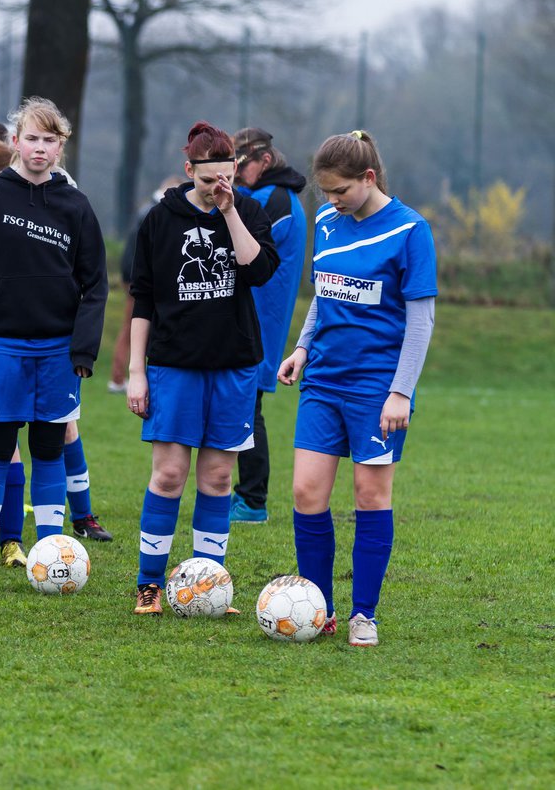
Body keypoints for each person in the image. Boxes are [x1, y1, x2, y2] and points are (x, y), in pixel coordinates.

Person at [278, 130, 436, 647]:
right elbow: (325, 294)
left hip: (377, 386)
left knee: (370, 495)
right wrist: (302, 347)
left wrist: (401, 391)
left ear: (369, 179)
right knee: (306, 492)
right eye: (325, 192)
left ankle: (362, 613)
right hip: (324, 378)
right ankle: (318, 608)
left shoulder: (412, 231)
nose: (331, 201)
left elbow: (421, 321)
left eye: (340, 190)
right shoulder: (327, 222)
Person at [0, 97, 108, 593]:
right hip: (0, 347)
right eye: (31, 138)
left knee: (48, 451)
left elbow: (96, 285)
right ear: (15, 140)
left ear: (61, 146)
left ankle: (51, 554)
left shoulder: (75, 205)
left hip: (58, 351)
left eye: (50, 140)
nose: (39, 148)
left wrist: (83, 350)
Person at [127, 121, 278, 615]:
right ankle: (149, 584)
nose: (218, 187)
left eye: (226, 176)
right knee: (169, 475)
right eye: (208, 178)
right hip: (174, 366)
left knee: (217, 480)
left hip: (233, 366)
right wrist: (136, 370)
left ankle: (206, 585)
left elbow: (257, 271)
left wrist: (230, 213)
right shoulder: (160, 219)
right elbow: (143, 299)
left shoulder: (249, 209)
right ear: (188, 169)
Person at [227, 128, 308, 524]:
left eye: (243, 166)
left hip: (257, 320)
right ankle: (241, 494)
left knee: (247, 407)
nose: (238, 175)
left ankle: (252, 499)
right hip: (258, 318)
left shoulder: (270, 201)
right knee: (243, 405)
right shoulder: (277, 198)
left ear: (265, 160)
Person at [109, 176, 184, 394]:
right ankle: (118, 377)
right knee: (132, 325)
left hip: (132, 276)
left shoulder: (147, 209)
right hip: (138, 279)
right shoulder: (154, 213)